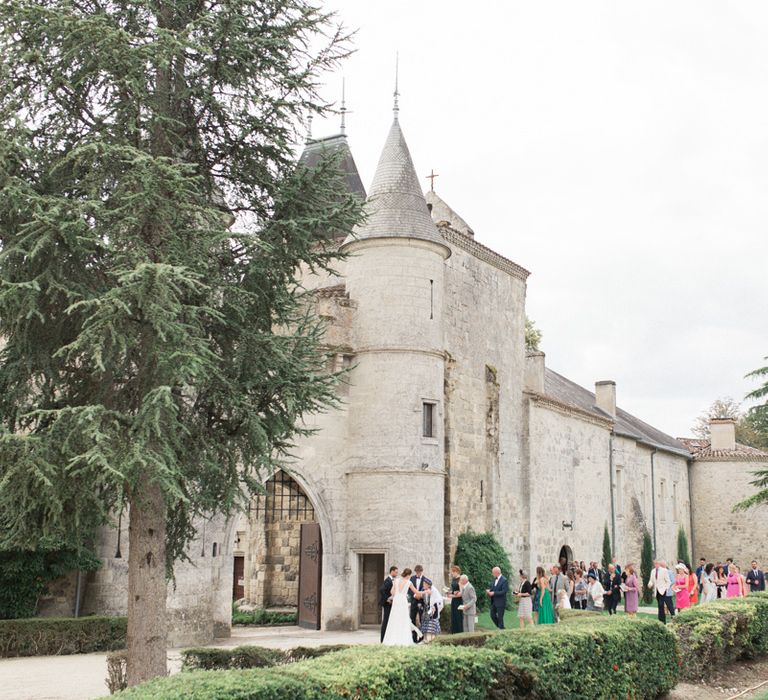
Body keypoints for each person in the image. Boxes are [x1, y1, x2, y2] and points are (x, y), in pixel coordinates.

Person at [382, 569, 423, 646]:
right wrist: (424, 592)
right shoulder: (409, 582)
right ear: (408, 575)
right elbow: (416, 592)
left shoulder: (396, 581)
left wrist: (397, 593)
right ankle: (403, 638)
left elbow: (391, 592)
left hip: (396, 600)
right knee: (403, 619)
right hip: (403, 601)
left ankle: (392, 639)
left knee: (394, 619)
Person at [409, 565, 430, 642]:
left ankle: (422, 637)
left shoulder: (425, 579)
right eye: (416, 572)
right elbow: (409, 589)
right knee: (412, 619)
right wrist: (415, 595)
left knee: (422, 619)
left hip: (422, 602)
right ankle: (414, 638)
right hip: (414, 602)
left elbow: (428, 590)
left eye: (419, 572)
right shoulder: (412, 578)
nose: (417, 573)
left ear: (421, 571)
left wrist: (420, 595)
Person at [379, 566, 398, 642]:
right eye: (396, 572)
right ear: (392, 571)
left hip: (390, 604)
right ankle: (382, 639)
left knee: (389, 621)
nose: (397, 573)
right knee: (386, 621)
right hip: (387, 604)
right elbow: (381, 590)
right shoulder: (388, 580)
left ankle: (387, 639)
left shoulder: (392, 580)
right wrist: (387, 599)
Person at [448, 565, 463, 633]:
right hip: (454, 600)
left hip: (459, 601)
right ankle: (454, 632)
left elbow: (461, 593)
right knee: (453, 616)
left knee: (458, 617)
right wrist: (450, 592)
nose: (451, 573)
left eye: (452, 572)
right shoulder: (454, 579)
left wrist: (452, 596)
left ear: (456, 572)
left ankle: (459, 632)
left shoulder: (460, 580)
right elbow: (455, 590)